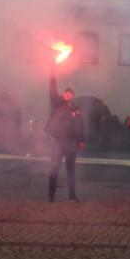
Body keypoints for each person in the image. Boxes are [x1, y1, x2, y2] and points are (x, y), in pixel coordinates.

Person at [45, 69, 85, 203]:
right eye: (66, 92)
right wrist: (53, 76)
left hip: (71, 143)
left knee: (71, 170)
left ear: (72, 95)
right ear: (64, 94)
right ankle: (51, 196)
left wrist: (81, 140)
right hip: (58, 142)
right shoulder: (58, 103)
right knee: (54, 168)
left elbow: (80, 125)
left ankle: (72, 195)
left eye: (70, 93)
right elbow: (52, 92)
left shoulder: (76, 109)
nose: (68, 94)